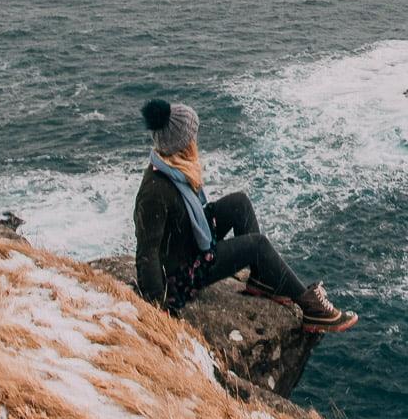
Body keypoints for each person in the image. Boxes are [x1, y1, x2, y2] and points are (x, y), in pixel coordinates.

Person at [134, 98, 358, 332]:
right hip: (183, 274)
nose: (195, 140)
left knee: (239, 202)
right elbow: (147, 252)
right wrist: (157, 308)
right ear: (181, 145)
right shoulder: (154, 192)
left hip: (187, 244)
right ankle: (312, 309)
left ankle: (261, 279)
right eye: (192, 136)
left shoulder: (172, 171)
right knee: (257, 245)